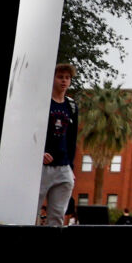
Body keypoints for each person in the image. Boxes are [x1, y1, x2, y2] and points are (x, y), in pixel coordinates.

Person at [40, 63, 78, 228]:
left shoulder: (71, 106)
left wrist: (71, 166)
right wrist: (38, 153)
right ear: (53, 78)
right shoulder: (43, 101)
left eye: (67, 78)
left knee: (56, 218)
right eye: (60, 77)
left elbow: (72, 138)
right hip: (41, 166)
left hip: (63, 167)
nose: (64, 81)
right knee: (30, 213)